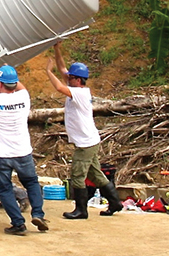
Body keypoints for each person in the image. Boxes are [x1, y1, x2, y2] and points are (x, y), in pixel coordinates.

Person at [0, 55, 49, 235]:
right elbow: (19, 85)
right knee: (31, 183)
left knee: (5, 188)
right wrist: (7, 69)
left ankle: (18, 224)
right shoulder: (23, 96)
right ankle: (38, 213)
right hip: (23, 151)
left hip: (2, 154)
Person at [45, 42, 122, 219]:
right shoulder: (76, 87)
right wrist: (57, 49)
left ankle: (81, 210)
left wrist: (48, 72)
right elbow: (63, 68)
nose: (67, 78)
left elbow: (58, 87)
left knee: (77, 175)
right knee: (96, 175)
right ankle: (115, 202)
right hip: (89, 141)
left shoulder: (79, 93)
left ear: (78, 80)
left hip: (85, 143)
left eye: (71, 77)